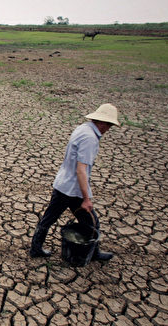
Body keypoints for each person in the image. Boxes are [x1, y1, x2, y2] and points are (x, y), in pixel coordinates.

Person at [29, 103, 120, 260]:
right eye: (109, 125)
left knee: (49, 218)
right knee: (92, 223)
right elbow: (81, 170)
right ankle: (93, 253)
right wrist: (86, 198)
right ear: (103, 123)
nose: (108, 129)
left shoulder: (83, 128)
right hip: (72, 189)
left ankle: (36, 248)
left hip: (63, 184)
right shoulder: (90, 138)